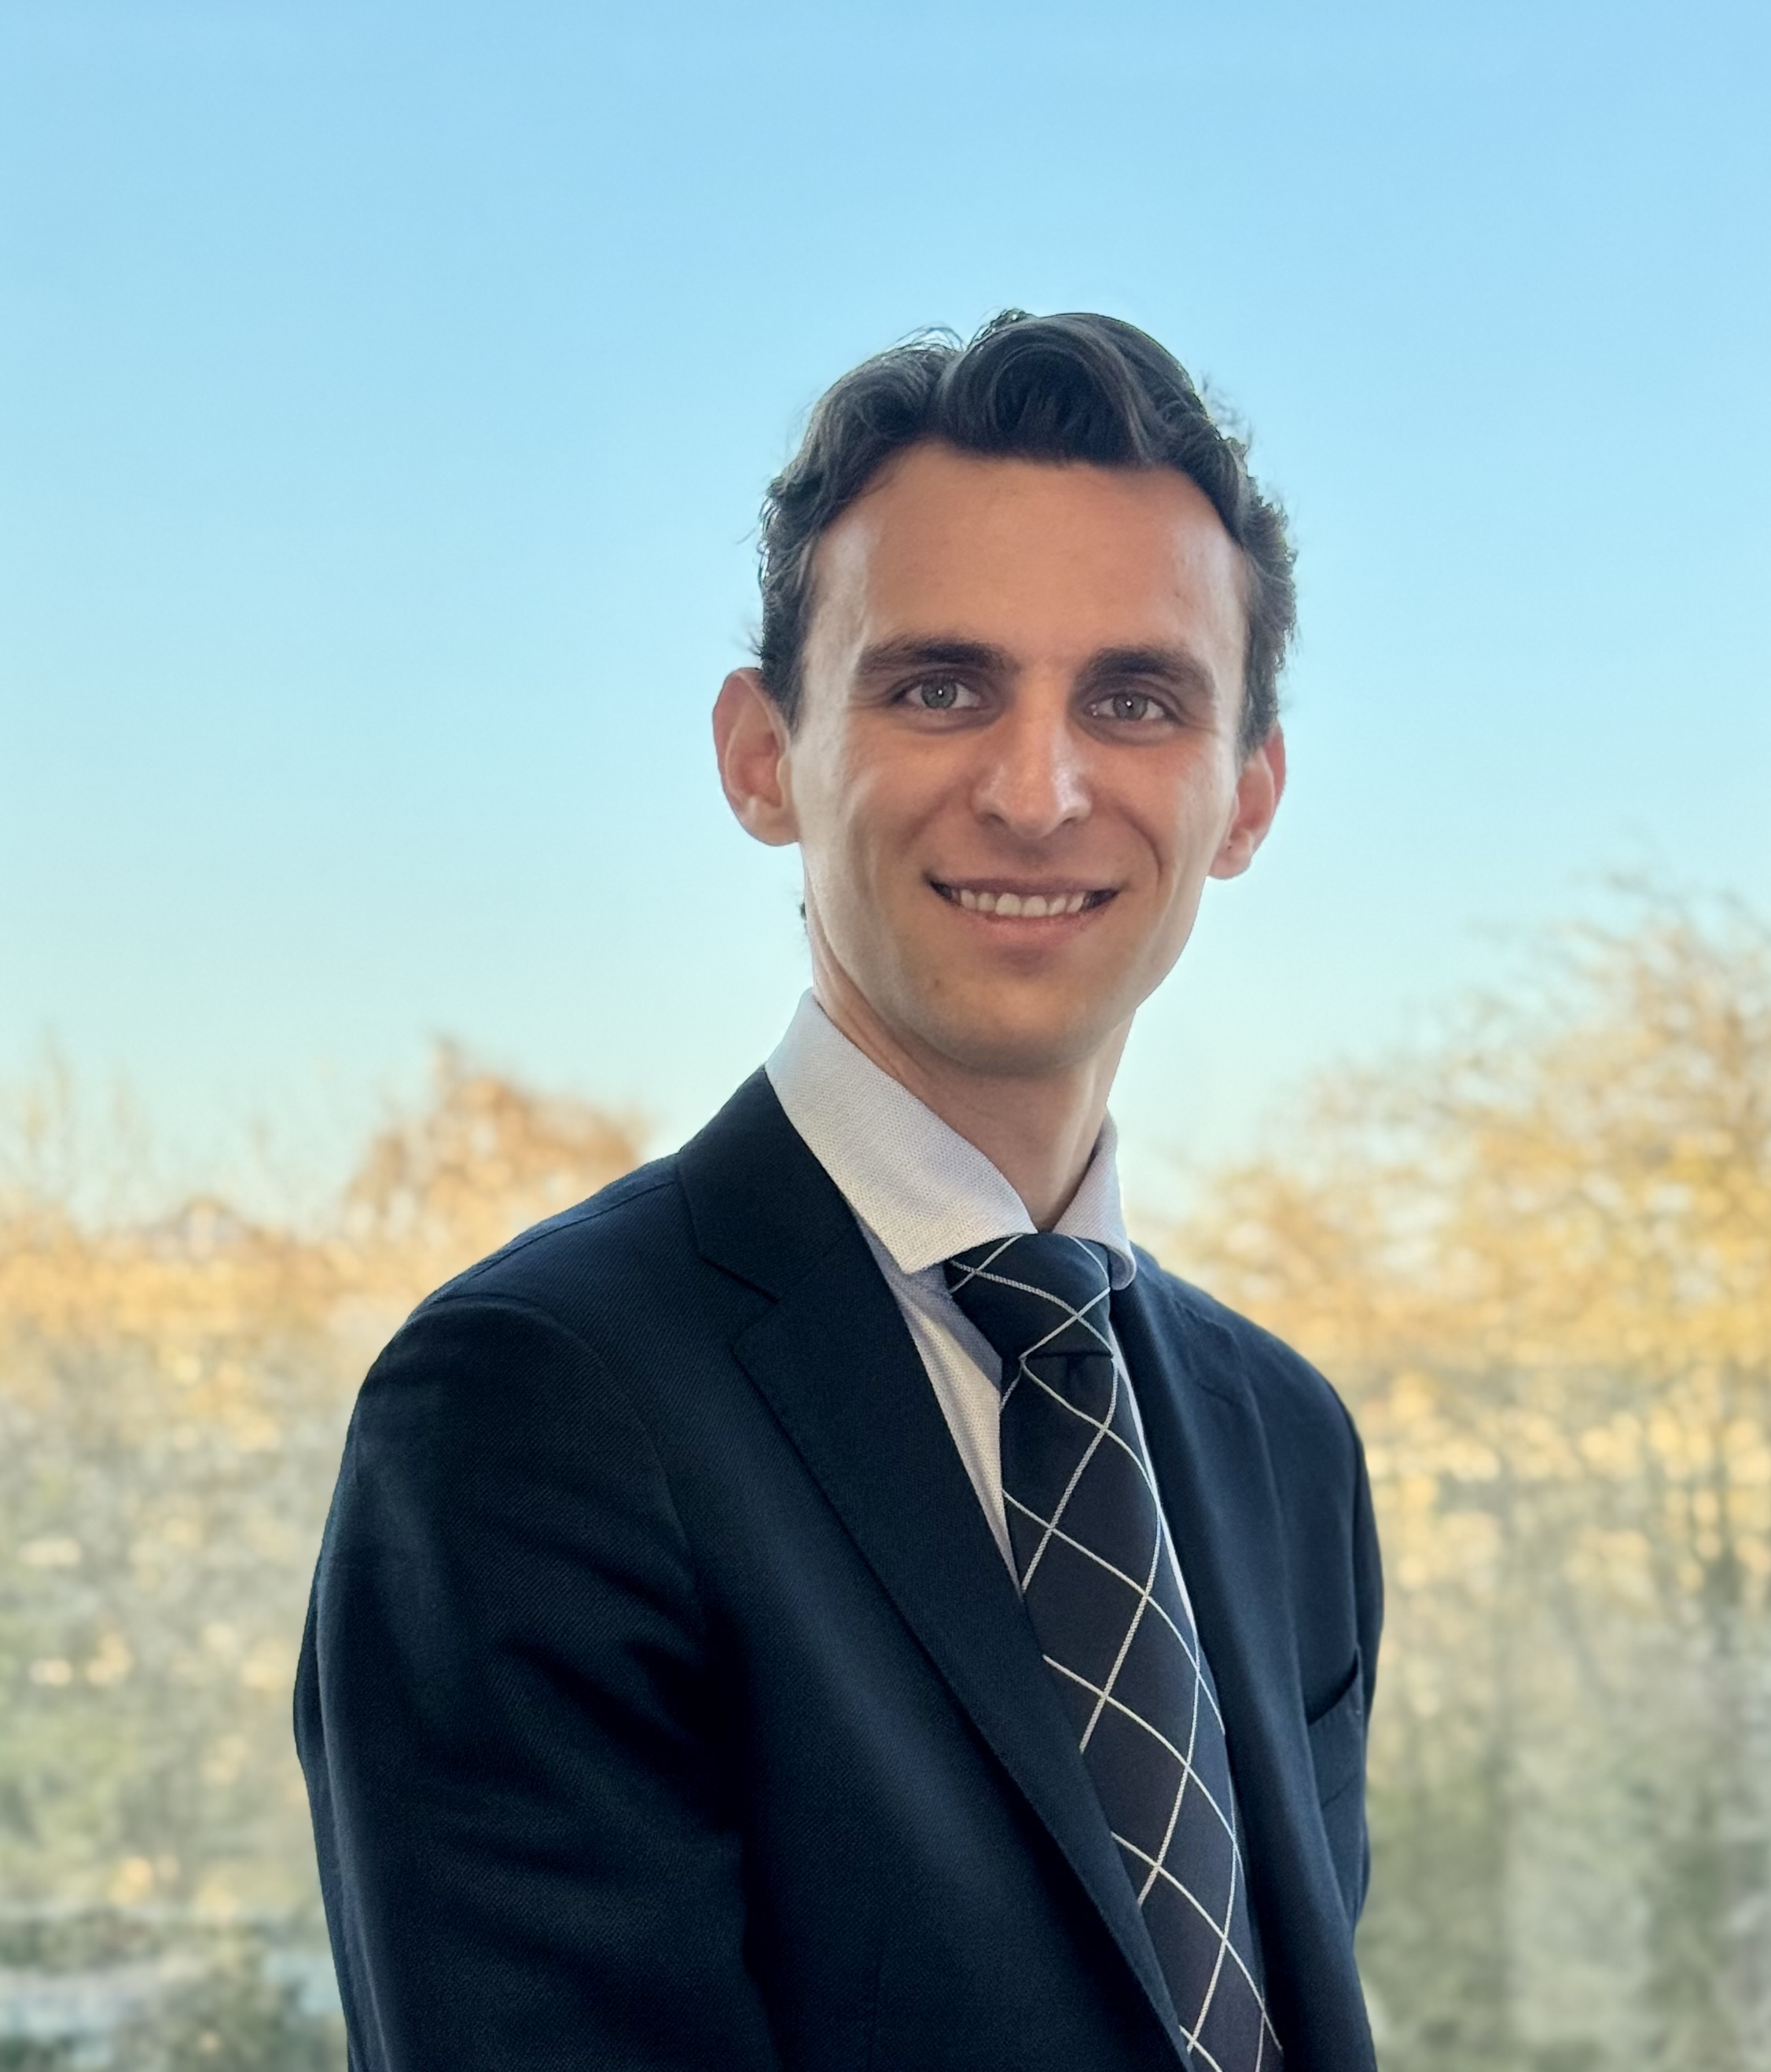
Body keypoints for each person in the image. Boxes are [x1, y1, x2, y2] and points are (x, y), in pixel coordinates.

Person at [296, 310, 1383, 2071]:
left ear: (1244, 796)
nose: (1038, 791)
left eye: (1136, 699)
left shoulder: (1287, 1447)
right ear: (760, 755)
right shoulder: (528, 1407)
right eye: (939, 686)